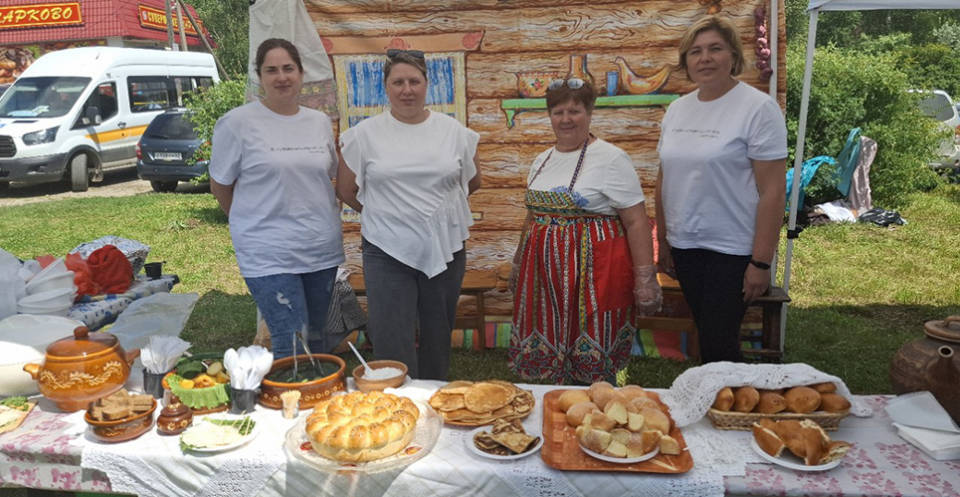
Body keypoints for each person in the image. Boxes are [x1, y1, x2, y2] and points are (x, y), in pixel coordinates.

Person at [337, 49, 481, 381]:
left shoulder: (454, 132)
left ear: (427, 84)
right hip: (386, 251)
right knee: (391, 336)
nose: (407, 90)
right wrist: (389, 214)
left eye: (414, 81)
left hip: (445, 248)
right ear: (385, 87)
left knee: (437, 333)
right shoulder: (364, 135)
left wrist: (437, 217)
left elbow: (472, 182)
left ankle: (432, 397)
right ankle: (396, 400)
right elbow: (346, 190)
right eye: (398, 82)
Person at [507, 78, 662, 385]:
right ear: (550, 116)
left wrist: (645, 277)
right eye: (558, 112)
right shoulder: (541, 160)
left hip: (592, 277)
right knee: (546, 350)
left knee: (590, 361)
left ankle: (593, 404)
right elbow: (532, 217)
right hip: (544, 278)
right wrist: (517, 262)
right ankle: (550, 403)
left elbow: (636, 222)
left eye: (575, 111)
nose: (566, 119)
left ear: (590, 113)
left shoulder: (612, 159)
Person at [656, 16, 787, 363]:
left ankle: (743, 394)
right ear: (686, 61)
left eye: (715, 48)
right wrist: (665, 241)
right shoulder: (677, 110)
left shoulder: (758, 108)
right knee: (711, 338)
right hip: (686, 246)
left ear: (733, 55)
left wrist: (761, 261)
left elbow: (773, 191)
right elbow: (665, 178)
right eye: (695, 51)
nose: (705, 58)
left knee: (718, 343)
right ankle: (728, 394)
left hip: (733, 250)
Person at [209, 38, 344, 360]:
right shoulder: (237, 123)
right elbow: (220, 186)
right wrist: (249, 223)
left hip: (320, 248)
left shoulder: (319, 122)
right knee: (290, 340)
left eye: (288, 68)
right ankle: (290, 393)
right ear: (260, 77)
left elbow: (331, 174)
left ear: (301, 74)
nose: (281, 77)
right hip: (267, 251)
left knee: (317, 337)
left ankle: (318, 392)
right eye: (271, 70)